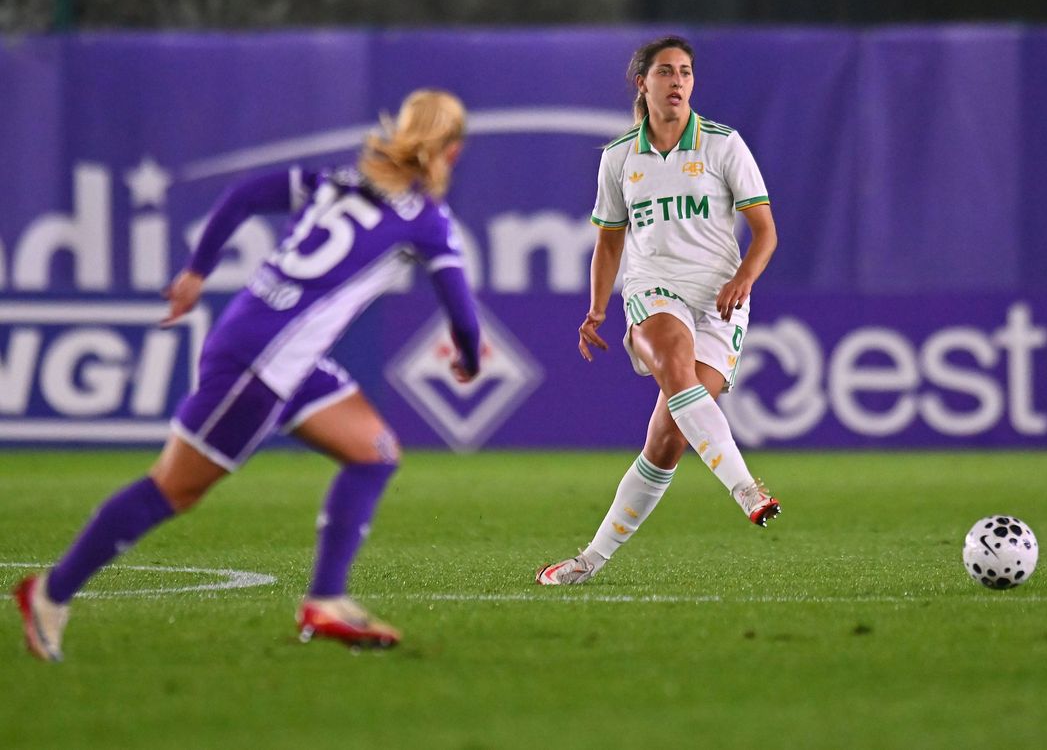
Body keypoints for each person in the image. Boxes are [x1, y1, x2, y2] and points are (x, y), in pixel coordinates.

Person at [13, 89, 480, 660]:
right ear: (451, 152)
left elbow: (243, 194)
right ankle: (51, 594)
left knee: (374, 450)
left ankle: (326, 602)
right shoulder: (427, 220)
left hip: (272, 350)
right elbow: (461, 310)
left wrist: (196, 272)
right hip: (259, 366)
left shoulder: (334, 181)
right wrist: (469, 359)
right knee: (172, 488)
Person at [536, 36, 780, 586]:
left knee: (666, 442)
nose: (677, 82)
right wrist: (597, 309)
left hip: (721, 297)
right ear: (641, 83)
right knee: (673, 361)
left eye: (686, 72)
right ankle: (747, 488)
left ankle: (587, 562)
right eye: (665, 72)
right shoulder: (619, 156)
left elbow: (765, 233)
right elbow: (608, 242)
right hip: (653, 288)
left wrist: (744, 278)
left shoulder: (723, 145)